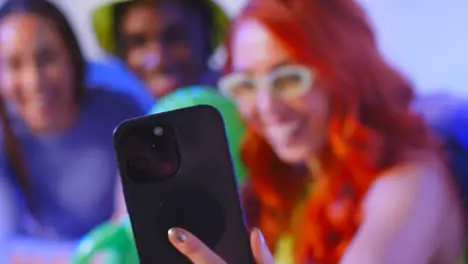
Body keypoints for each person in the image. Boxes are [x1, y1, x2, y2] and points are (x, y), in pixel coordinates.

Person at [165, 0, 466, 263]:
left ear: (345, 75)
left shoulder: (411, 183)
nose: (266, 105)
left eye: (289, 78)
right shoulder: (287, 182)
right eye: (245, 85)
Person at [0, 0, 145, 261]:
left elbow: (131, 225)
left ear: (73, 58)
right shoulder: (3, 137)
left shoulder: (121, 113)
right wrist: (91, 257)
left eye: (47, 58)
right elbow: (6, 247)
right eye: (14, 64)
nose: (34, 81)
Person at [91, 0, 229, 100]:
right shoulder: (112, 124)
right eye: (138, 41)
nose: (158, 60)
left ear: (207, 35)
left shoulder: (245, 114)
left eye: (175, 36)